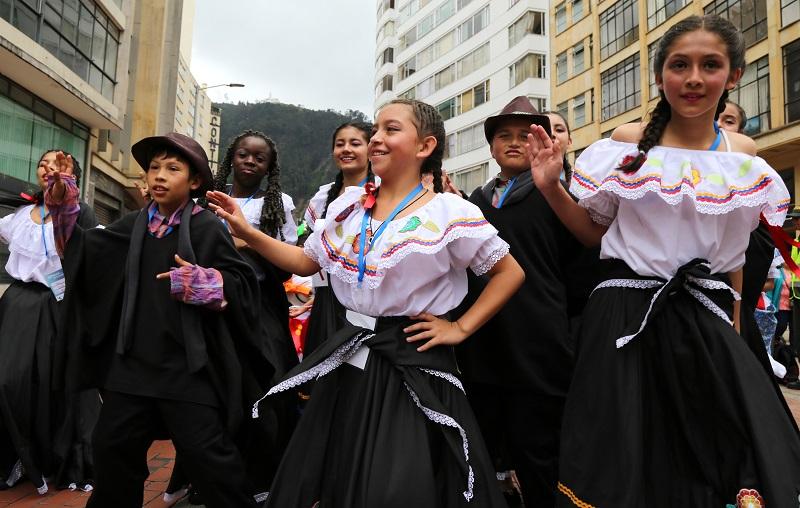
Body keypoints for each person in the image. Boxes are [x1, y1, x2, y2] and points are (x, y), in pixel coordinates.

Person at [527, 15, 800, 506]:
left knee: (717, 447)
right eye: (680, 64)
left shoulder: (744, 154)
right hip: (623, 315)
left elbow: (733, 254)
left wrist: (734, 320)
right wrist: (550, 187)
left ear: (733, 74)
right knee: (627, 451)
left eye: (710, 64)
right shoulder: (626, 143)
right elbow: (594, 233)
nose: (694, 78)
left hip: (705, 315)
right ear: (660, 77)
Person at [208, 98, 525, 507]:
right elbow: (305, 261)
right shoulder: (349, 207)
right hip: (353, 352)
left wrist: (459, 328)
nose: (376, 138)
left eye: (391, 129)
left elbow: (509, 273)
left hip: (412, 360)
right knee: (344, 469)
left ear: (425, 146)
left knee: (398, 480)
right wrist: (246, 231)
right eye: (375, 129)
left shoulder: (449, 213)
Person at [45, 133, 263, 508]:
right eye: (154, 168)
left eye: (172, 168)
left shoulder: (207, 227)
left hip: (189, 370)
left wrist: (203, 283)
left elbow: (243, 286)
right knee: (111, 449)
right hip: (132, 368)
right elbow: (82, 255)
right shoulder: (131, 225)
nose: (159, 175)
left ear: (194, 181)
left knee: (211, 459)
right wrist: (64, 208)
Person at [455, 96, 579, 506]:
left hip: (539, 345)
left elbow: (578, 270)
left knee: (539, 454)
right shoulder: (474, 204)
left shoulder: (559, 197)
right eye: (503, 135)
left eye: (525, 136)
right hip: (483, 344)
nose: (513, 143)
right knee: (480, 453)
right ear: (490, 147)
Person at [0, 150, 98, 494]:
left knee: (50, 386)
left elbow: (93, 258)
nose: (48, 169)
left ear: (73, 175)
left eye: (58, 165)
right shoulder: (22, 214)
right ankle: (16, 456)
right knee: (9, 380)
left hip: (56, 306)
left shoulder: (79, 214)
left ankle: (48, 459)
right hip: (16, 305)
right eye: (43, 164)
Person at [302, 121, 376, 357]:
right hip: (326, 300)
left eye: (355, 143)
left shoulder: (385, 192)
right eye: (340, 144)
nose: (346, 149)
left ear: (370, 149)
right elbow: (312, 254)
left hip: (368, 299)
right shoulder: (323, 198)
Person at [544, 111, 574, 183]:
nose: (551, 133)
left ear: (569, 142)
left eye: (559, 130)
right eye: (544, 129)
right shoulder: (517, 180)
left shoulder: (581, 184)